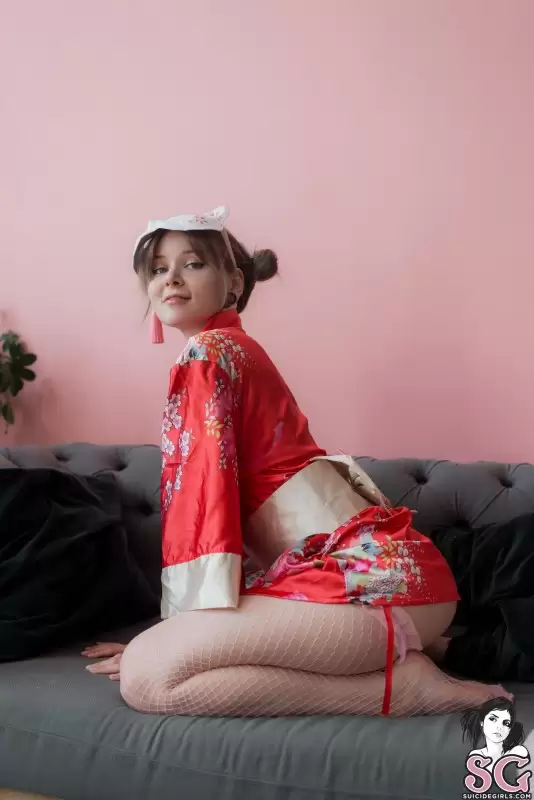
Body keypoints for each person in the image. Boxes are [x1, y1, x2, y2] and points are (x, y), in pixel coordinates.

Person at [83, 206, 511, 717]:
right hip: (400, 580)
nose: (171, 278)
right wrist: (184, 639)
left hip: (372, 588)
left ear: (234, 282)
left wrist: (177, 634)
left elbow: (202, 501)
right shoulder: (235, 347)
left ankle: (404, 690)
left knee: (148, 678)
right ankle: (416, 658)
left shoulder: (207, 353)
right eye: (157, 268)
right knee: (154, 661)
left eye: (192, 263)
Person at [461, 697, 528, 771]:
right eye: (492, 719)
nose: (499, 727)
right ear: (482, 722)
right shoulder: (476, 755)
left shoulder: (518, 751)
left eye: (506, 723)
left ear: (509, 730)